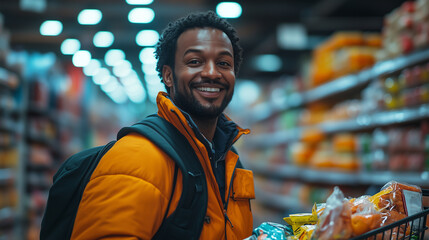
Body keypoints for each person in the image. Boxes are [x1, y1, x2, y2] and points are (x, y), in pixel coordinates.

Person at [69, 10, 255, 239]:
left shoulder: (228, 159)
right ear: (168, 76)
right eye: (195, 61)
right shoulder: (136, 157)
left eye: (224, 63)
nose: (211, 72)